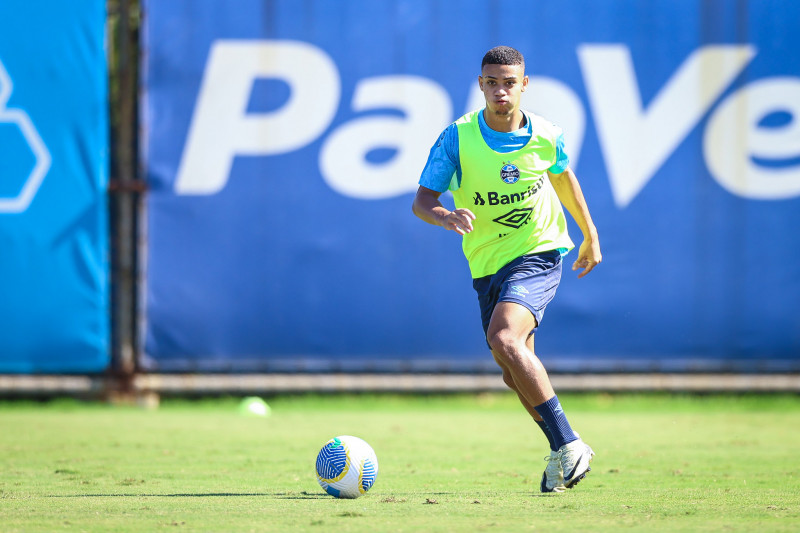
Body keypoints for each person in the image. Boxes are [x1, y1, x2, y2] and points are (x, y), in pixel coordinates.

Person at [412, 46, 602, 493]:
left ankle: (570, 444)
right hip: (486, 263)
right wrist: (445, 216)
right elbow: (422, 200)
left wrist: (590, 234)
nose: (501, 91)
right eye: (492, 82)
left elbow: (561, 176)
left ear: (524, 84)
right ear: (480, 85)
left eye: (509, 83)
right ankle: (562, 449)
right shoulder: (456, 138)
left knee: (504, 338)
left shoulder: (546, 134)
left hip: (539, 250)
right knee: (511, 368)